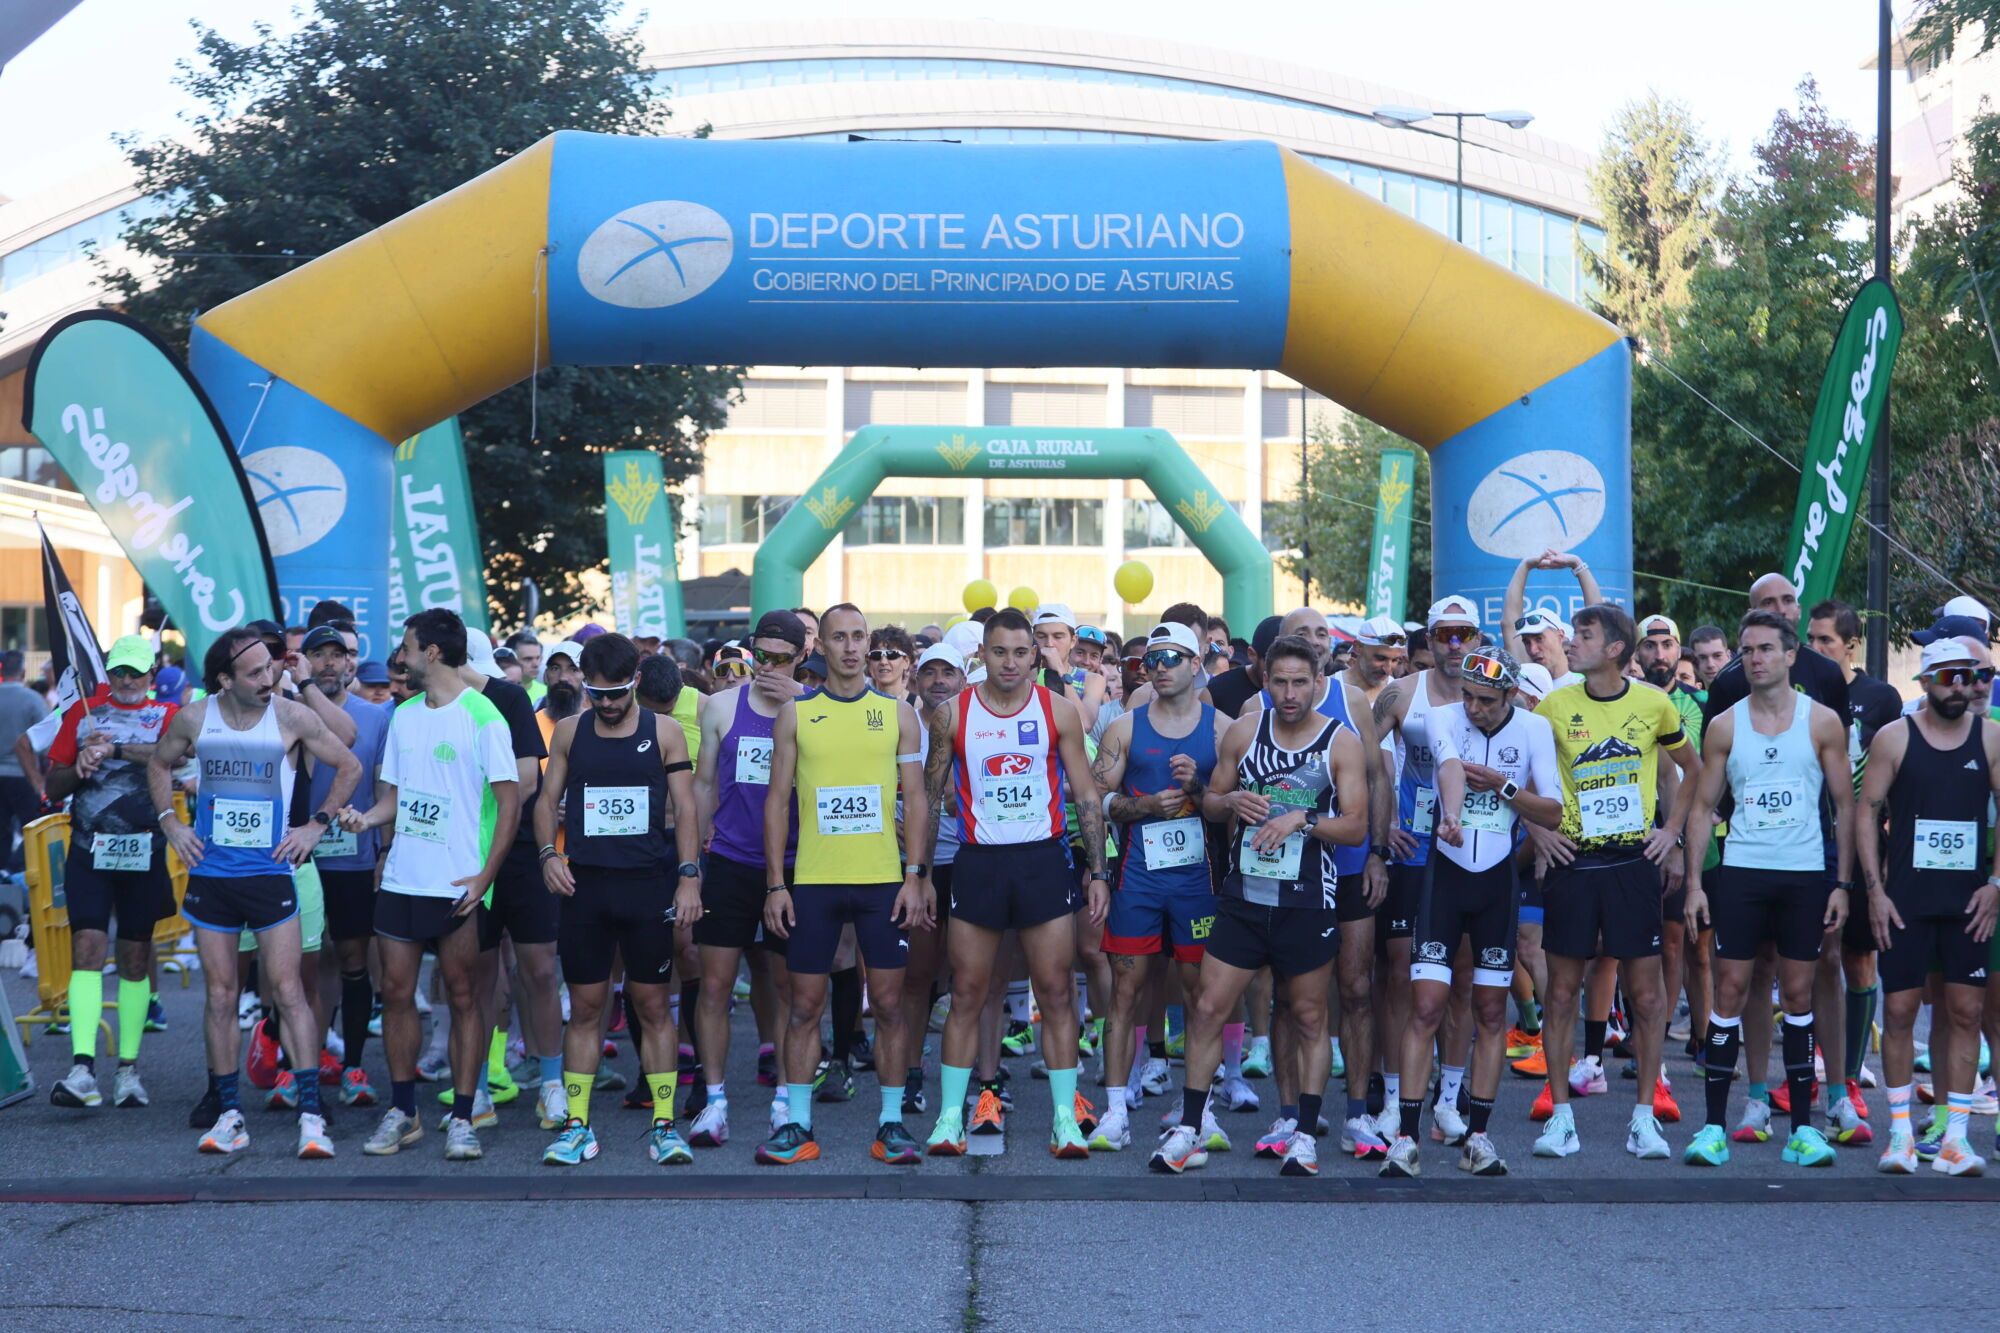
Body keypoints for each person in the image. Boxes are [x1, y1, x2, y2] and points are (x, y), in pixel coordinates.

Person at [1155, 634, 1367, 1176]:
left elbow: (1356, 827)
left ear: (1319, 684)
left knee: (1309, 1016)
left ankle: (1304, 1135)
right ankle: (1191, 1128)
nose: (1290, 694)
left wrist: (1303, 819)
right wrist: (1229, 799)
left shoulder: (1340, 742)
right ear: (1265, 681)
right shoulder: (1246, 732)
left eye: (1301, 683)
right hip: (1245, 897)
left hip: (1306, 901)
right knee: (1208, 1008)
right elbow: (1210, 804)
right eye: (1281, 682)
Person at [148, 628, 361, 1159]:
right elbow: (158, 762)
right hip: (213, 877)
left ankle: (311, 1116)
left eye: (271, 667)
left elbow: (349, 764)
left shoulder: (289, 716)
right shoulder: (195, 718)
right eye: (255, 672)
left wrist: (315, 826)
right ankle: (229, 1116)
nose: (269, 678)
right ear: (225, 680)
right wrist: (170, 822)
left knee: (289, 993)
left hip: (270, 876)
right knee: (221, 996)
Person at [921, 607, 1107, 1158]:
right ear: (982, 654)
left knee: (1055, 990)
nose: (1010, 662)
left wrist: (1098, 872)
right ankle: (950, 1119)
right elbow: (929, 800)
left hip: (1042, 861)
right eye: (999, 652)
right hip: (979, 864)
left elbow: (1087, 795)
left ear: (1035, 656)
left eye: (1020, 652)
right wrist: (919, 875)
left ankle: (1063, 1119)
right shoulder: (952, 713)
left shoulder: (1059, 710)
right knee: (968, 992)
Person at [336, 610, 521, 1162]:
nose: (401, 656)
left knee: (463, 996)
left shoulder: (484, 715)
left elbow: (510, 803)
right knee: (396, 993)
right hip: (403, 878)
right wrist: (367, 820)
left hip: (458, 880)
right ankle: (403, 1111)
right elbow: (393, 796)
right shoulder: (404, 715)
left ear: (433, 652)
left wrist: (485, 877)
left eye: (408, 647)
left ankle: (463, 1116)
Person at [1680, 610, 1855, 1170]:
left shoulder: (1822, 721)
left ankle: (1803, 1129)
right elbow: (1702, 809)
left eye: (1765, 649)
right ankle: (1713, 1127)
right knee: (1730, 990)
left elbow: (1845, 805)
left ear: (1790, 655)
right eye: (1747, 650)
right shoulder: (1724, 725)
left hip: (1804, 874)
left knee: (1799, 994)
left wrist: (1843, 884)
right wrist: (1693, 885)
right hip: (1743, 873)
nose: (1754, 659)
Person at [1380, 647, 1562, 1178]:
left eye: (1486, 700)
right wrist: (1453, 816)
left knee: (1490, 1011)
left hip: (1498, 883)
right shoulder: (1443, 717)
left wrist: (1504, 785)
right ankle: (1406, 1137)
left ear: (1511, 695)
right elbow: (1450, 768)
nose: (1474, 708)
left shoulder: (1533, 728)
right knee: (1425, 1006)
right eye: (1468, 697)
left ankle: (1477, 1135)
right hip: (1446, 875)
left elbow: (1552, 810)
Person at [1528, 604, 1700, 1161]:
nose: (1570, 643)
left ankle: (1644, 1118)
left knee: (1646, 996)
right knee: (1560, 993)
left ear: (1614, 649)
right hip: (1574, 862)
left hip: (1632, 862)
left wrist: (1671, 834)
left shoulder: (1653, 704)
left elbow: (1691, 769)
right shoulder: (1554, 706)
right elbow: (1517, 770)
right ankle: (1561, 1118)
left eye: (1583, 635)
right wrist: (1538, 831)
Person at [760, 604, 929, 1166]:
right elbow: (776, 801)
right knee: (804, 1006)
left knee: (889, 1005)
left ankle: (891, 1123)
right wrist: (776, 885)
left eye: (860, 637)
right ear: (821, 647)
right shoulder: (796, 715)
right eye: (840, 637)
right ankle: (797, 1124)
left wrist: (915, 875)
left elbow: (917, 799)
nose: (853, 648)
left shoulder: (898, 714)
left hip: (882, 880)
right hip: (815, 881)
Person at [534, 633, 701, 1166]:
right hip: (585, 887)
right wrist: (548, 854)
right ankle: (577, 1126)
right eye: (597, 694)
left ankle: (664, 1126)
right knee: (586, 1008)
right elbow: (546, 801)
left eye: (617, 693)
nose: (606, 704)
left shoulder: (665, 731)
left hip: (647, 884)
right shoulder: (569, 731)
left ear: (637, 681)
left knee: (652, 1005)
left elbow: (686, 808)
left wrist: (689, 876)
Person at [1088, 621, 1233, 1152]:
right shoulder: (1124, 728)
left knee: (1201, 997)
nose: (1159, 668)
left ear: (1196, 664)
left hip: (1200, 882)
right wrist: (1144, 807)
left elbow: (1236, 808)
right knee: (1125, 991)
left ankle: (1200, 1111)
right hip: (1138, 879)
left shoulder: (1223, 730)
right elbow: (1095, 802)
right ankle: (1114, 1112)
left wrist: (1200, 786)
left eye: (1172, 658)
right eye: (1151, 660)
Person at [1859, 639, 2000, 1177]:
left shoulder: (1990, 738)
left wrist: (1996, 884)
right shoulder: (1895, 738)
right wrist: (1874, 891)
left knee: (1965, 1012)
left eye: (1968, 676)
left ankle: (1955, 1140)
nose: (1960, 686)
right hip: (1906, 900)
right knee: (1898, 1012)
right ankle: (1899, 1134)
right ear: (1924, 682)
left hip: (1968, 902)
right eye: (1947, 676)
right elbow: (1866, 812)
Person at [45, 637, 179, 1112]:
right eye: (119, 671)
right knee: (87, 948)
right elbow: (53, 783)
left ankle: (128, 1069)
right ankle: (82, 1069)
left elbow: (175, 756)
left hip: (144, 851)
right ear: (108, 673)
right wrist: (78, 766)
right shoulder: (81, 714)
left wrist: (116, 748)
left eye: (136, 672)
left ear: (151, 676)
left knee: (135, 959)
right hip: (89, 850)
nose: (126, 680)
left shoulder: (166, 714)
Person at [1368, 595, 1482, 1145]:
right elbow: (1362, 758)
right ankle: (1394, 1099)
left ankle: (1449, 1099)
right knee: (1400, 975)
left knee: (1460, 977)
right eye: (1444, 635)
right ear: (1429, 640)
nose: (1454, 645)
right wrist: (1383, 822)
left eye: (1464, 635)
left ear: (1477, 639)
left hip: (1471, 847)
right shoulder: (1401, 694)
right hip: (1412, 847)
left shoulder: (1493, 692)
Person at [689, 610, 805, 1147]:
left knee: (786, 985)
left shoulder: (814, 708)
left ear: (801, 657)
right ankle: (714, 1101)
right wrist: (693, 858)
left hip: (795, 863)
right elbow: (702, 785)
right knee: (714, 984)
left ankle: (785, 1099)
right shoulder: (721, 706)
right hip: (731, 860)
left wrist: (801, 698)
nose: (769, 667)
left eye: (783, 659)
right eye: (762, 656)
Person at [295, 624, 393, 1112]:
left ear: (350, 662)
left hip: (355, 856)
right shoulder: (284, 710)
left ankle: (354, 1065)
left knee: (354, 960)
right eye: (319, 654)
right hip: (296, 855)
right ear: (304, 661)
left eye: (338, 654)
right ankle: (301, 1067)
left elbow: (384, 787)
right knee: (300, 967)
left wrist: (384, 852)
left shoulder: (375, 716)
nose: (330, 663)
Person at [1503, 550, 1602, 687]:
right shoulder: (1526, 678)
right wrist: (1525, 566)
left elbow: (1598, 620)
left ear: (1560, 636)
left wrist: (1577, 564)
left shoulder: (1583, 678)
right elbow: (1508, 624)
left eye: (1539, 639)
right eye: (1526, 642)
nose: (1533, 650)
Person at [0, 649, 50, 872]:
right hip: (24, 776)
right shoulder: (32, 699)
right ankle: (18, 872)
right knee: (32, 828)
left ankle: (3, 874)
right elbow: (48, 742)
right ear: (23, 672)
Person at [1206, 615, 1282, 720]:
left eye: (1298, 681)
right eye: (1272, 663)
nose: (1282, 672)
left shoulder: (1302, 693)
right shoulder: (1215, 691)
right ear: (1252, 654)